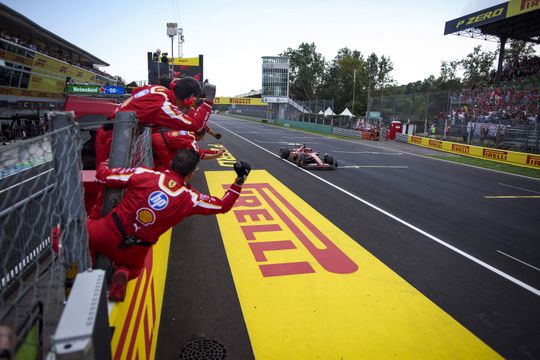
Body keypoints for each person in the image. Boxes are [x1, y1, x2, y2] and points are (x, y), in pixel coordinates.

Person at [87, 149, 251, 301]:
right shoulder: (189, 199)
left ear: (171, 162)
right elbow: (222, 206)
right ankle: (123, 272)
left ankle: (75, 262)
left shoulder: (145, 174)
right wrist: (239, 181)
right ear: (191, 174)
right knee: (135, 269)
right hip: (134, 250)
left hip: (107, 230)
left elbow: (103, 176)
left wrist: (104, 163)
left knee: (80, 232)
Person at [94, 76, 216, 165]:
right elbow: (196, 125)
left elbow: (136, 91)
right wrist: (209, 101)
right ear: (187, 99)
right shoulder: (163, 106)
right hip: (115, 140)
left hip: (113, 131)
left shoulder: (158, 90)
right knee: (110, 187)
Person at [152, 127, 224, 171]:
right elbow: (202, 156)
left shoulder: (188, 131)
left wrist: (216, 151)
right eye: (202, 137)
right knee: (171, 168)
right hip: (160, 144)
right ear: (201, 135)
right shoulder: (191, 140)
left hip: (157, 136)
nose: (202, 139)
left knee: (175, 154)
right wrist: (218, 155)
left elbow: (199, 151)